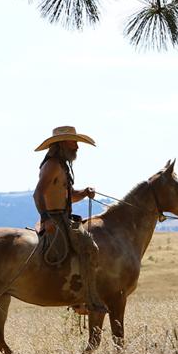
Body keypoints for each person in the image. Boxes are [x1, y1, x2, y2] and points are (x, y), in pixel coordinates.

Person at [33, 126, 107, 314]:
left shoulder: (62, 166)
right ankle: (85, 300)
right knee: (89, 247)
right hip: (55, 217)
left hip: (63, 217)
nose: (77, 147)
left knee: (84, 248)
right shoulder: (52, 165)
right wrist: (45, 218)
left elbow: (69, 196)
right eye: (73, 142)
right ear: (62, 144)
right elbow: (38, 193)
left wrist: (84, 192)